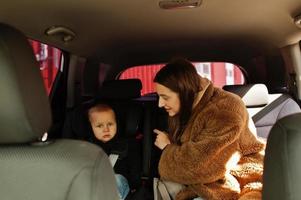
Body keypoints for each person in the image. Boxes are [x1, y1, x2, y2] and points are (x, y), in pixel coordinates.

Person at [153, 58, 265, 200]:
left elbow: (201, 167)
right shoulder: (188, 108)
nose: (160, 104)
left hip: (239, 180)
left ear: (184, 91)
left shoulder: (225, 110)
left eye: (165, 97)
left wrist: (167, 148)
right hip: (212, 180)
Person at [88, 103, 140, 200]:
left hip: (119, 188)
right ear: (91, 127)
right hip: (93, 188)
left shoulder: (125, 145)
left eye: (110, 124)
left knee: (116, 180)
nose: (106, 129)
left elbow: (134, 170)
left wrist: (134, 185)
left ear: (117, 123)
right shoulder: (87, 147)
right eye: (99, 126)